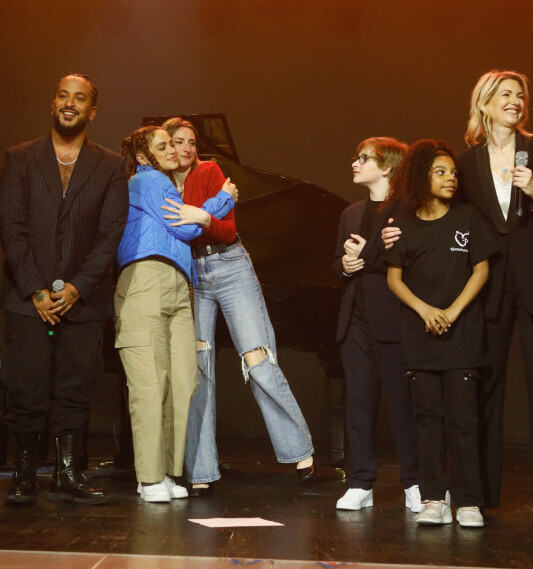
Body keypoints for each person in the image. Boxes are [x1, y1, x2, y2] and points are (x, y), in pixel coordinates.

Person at [160, 117, 314, 495]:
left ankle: (299, 448)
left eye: (191, 143)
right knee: (197, 369)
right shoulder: (158, 184)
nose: (185, 149)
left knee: (257, 359)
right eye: (177, 142)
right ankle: (201, 470)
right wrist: (210, 209)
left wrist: (205, 214)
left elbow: (226, 230)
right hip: (191, 275)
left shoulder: (210, 171)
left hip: (230, 266)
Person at [0, 73, 129, 504]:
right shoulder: (19, 158)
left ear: (92, 111)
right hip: (25, 299)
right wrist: (37, 289)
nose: (69, 103)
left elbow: (110, 234)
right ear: (52, 103)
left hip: (84, 300)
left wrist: (76, 288)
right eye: (62, 95)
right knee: (26, 387)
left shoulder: (111, 165)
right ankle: (23, 475)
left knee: (75, 388)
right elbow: (12, 228)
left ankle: (68, 474)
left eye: (80, 98)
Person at [456, 70, 533, 526]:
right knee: (483, 390)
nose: (515, 101)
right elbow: (453, 221)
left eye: (520, 95)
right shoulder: (467, 163)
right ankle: (479, 496)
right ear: (485, 104)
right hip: (490, 288)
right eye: (505, 94)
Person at [115, 126, 236, 503]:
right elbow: (183, 227)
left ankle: (167, 471)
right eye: (162, 146)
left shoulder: (164, 185)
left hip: (179, 285)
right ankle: (148, 478)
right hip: (146, 280)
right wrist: (221, 200)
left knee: (182, 382)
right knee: (151, 384)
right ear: (142, 156)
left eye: (174, 144)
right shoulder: (148, 180)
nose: (173, 150)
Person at [385, 139, 497, 527]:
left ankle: (468, 501)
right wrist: (424, 309)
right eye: (441, 171)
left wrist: (451, 311)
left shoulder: (467, 217)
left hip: (462, 336)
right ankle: (434, 497)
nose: (451, 178)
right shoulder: (404, 226)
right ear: (421, 176)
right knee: (427, 418)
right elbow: (394, 278)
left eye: (453, 172)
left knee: (463, 420)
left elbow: (480, 270)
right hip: (421, 339)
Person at [332, 137, 421, 512]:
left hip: (392, 319)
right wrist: (345, 265)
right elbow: (337, 263)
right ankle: (360, 482)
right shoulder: (350, 213)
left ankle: (415, 482)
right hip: (355, 321)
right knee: (359, 404)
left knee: (402, 405)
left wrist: (364, 257)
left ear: (386, 166)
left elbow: (408, 262)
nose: (355, 162)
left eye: (363, 157)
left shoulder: (408, 210)